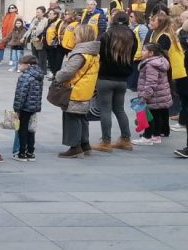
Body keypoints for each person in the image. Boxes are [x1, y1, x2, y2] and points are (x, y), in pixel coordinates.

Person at [92, 12, 137, 152]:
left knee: (105, 110)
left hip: (105, 77)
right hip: (122, 79)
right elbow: (133, 54)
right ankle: (126, 139)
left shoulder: (107, 35)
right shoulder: (131, 36)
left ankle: (106, 142)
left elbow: (97, 51)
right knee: (119, 109)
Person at [54, 24, 100, 158]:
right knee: (82, 118)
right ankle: (85, 145)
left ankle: (75, 147)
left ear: (83, 37)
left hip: (75, 90)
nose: (73, 37)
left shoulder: (80, 54)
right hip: (86, 90)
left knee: (72, 117)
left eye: (75, 35)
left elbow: (67, 72)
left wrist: (58, 76)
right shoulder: (94, 53)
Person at [133, 42, 173, 146]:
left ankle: (147, 137)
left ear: (151, 53)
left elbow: (151, 82)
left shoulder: (151, 65)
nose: (142, 51)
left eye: (144, 50)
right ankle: (156, 136)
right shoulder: (160, 61)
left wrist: (144, 97)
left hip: (153, 96)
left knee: (149, 116)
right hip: (160, 95)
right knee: (157, 115)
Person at [12, 54, 45, 161]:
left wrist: (17, 108)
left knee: (22, 129)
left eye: (20, 64)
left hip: (25, 107)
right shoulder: (38, 75)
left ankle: (21, 152)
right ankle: (30, 152)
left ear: (28, 65)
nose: (19, 66)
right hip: (34, 106)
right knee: (31, 130)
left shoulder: (25, 76)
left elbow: (21, 94)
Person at [43, 9, 64, 79]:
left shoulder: (59, 22)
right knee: (50, 60)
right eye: (49, 13)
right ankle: (52, 73)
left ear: (55, 15)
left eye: (51, 14)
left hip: (54, 45)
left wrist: (53, 40)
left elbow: (59, 32)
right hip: (48, 44)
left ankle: (55, 75)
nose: (49, 15)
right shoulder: (49, 21)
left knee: (55, 61)